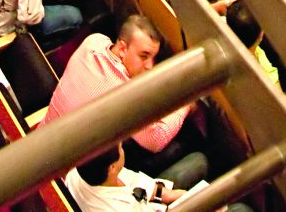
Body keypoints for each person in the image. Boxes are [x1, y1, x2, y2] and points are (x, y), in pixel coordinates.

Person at [46, 16, 210, 189]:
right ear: (123, 48)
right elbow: (156, 140)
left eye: (153, 58)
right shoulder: (124, 98)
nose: (149, 66)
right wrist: (186, 106)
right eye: (143, 56)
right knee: (185, 141)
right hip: (71, 181)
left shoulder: (93, 42)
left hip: (41, 147)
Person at [63, 143, 189, 212]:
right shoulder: (116, 209)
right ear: (112, 167)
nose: (122, 146)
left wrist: (171, 195)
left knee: (197, 164)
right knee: (198, 162)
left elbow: (137, 182)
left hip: (146, 201)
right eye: (120, 148)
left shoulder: (75, 173)